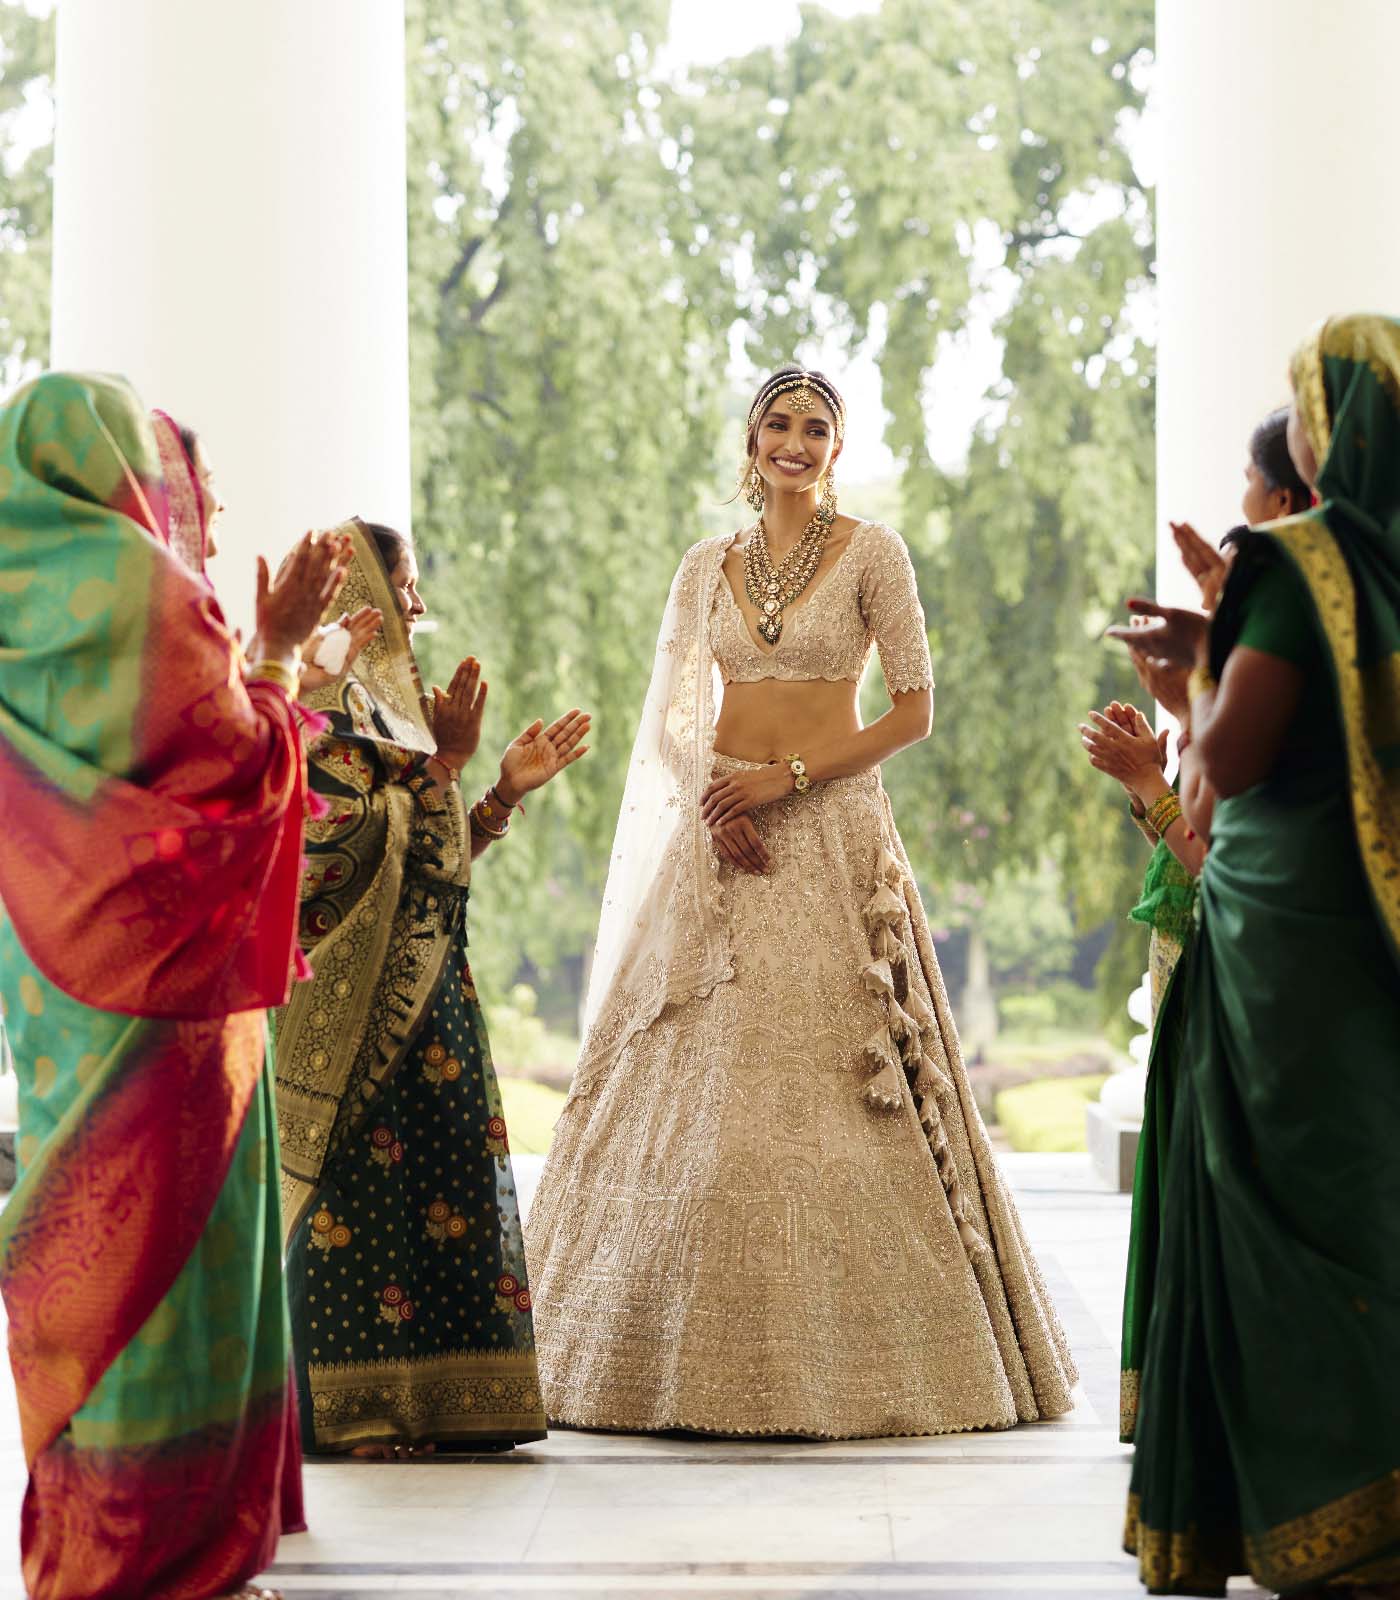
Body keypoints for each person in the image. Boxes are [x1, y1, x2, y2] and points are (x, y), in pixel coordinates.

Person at [524, 366, 1077, 1438]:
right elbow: (672, 714)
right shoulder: (706, 565)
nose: (794, 440)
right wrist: (712, 799)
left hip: (829, 832)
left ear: (836, 446)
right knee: (697, 1088)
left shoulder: (874, 553)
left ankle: (874, 1364)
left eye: (814, 427)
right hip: (723, 831)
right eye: (777, 423)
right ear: (751, 440)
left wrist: (788, 780)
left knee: (836, 1080)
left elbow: (912, 711)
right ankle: (656, 1360)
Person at [0, 372, 347, 1600]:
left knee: (76, 1225)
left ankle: (86, 1527)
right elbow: (241, 767)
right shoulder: (150, 594)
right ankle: (178, 1540)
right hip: (174, 986)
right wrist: (283, 651)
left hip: (52, 967)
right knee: (174, 1244)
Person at [1108, 313, 1400, 1597]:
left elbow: (1227, 756)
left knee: (1264, 1212)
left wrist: (1192, 668)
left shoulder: (1298, 558)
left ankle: (1303, 1516)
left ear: (1328, 427)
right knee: (1362, 1202)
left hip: (1279, 926)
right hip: (1368, 921)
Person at [276, 518, 590, 1459]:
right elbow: (325, 854)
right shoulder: (313, 708)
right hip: (346, 1014)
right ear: (357, 591)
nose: (415, 603)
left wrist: (499, 793)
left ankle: (444, 1402)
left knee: (435, 1190)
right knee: (359, 1203)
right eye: (402, 583)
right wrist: (443, 772)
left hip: (429, 997)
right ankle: (352, 1412)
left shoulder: (392, 714)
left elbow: (434, 869)